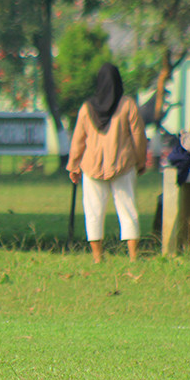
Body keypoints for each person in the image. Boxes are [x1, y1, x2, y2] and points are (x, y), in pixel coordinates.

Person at [67, 62, 147, 263]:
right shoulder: (128, 104)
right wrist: (140, 161)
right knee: (128, 210)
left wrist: (74, 166)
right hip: (123, 165)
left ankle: (97, 257)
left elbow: (78, 139)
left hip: (91, 167)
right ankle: (133, 257)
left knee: (93, 212)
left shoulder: (87, 108)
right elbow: (138, 136)